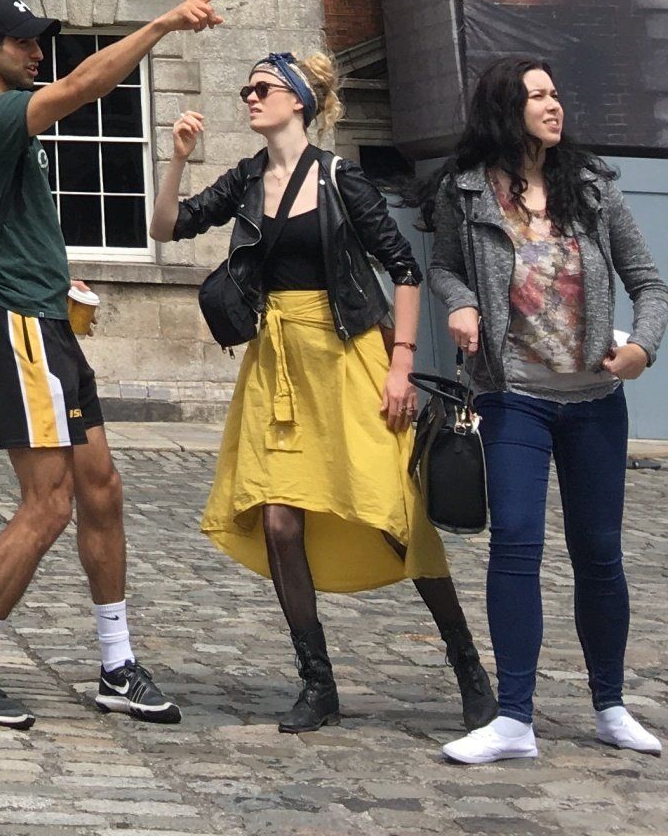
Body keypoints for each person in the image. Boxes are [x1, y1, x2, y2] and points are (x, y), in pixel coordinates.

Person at [151, 51, 493, 736]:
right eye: (245, 87)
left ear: (300, 101)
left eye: (262, 87)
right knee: (279, 520)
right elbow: (166, 227)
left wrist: (400, 366)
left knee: (397, 512)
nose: (249, 96)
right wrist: (179, 158)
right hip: (275, 364)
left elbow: (403, 268)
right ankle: (317, 681)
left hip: (348, 359)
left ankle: (468, 667)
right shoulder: (248, 178)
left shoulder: (341, 178)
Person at [0, 0, 225, 733]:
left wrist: (60, 278)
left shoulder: (4, 126)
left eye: (40, 42)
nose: (38, 52)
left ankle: (116, 665)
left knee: (102, 488)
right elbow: (83, 87)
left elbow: (17, 226)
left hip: (48, 319)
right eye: (25, 42)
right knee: (50, 502)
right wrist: (160, 22)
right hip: (20, 329)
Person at [428, 55, 667, 766]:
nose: (554, 105)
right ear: (507, 108)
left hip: (595, 402)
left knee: (599, 554)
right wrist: (462, 302)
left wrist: (642, 352)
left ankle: (610, 705)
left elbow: (649, 283)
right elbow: (442, 264)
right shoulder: (465, 191)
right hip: (516, 400)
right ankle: (513, 720)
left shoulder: (592, 188)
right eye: (537, 96)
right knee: (517, 544)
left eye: (556, 93)